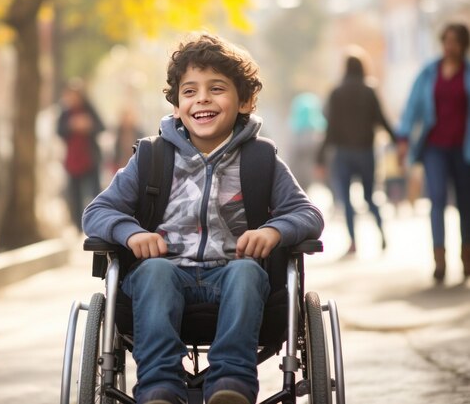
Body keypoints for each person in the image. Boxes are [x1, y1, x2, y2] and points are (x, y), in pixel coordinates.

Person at [82, 32, 323, 404]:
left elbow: (307, 214)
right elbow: (97, 212)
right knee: (153, 271)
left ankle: (231, 385)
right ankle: (160, 387)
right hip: (164, 278)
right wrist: (131, 234)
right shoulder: (152, 158)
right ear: (177, 105)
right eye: (190, 91)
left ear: (244, 101)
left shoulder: (262, 160)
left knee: (246, 271)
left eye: (216, 89)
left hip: (234, 278)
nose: (202, 99)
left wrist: (275, 231)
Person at [396, 22, 470, 283]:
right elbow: (412, 106)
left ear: (463, 44)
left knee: (465, 204)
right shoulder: (430, 72)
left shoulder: (467, 72)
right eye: (446, 41)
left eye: (455, 41)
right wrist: (403, 138)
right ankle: (439, 260)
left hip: (464, 149)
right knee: (436, 199)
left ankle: (466, 257)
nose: (450, 46)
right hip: (434, 148)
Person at [316, 51, 395, 255]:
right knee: (370, 196)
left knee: (347, 199)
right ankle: (382, 234)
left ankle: (353, 242)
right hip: (366, 152)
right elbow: (381, 119)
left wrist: (320, 156)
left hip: (342, 153)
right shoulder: (369, 91)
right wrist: (397, 140)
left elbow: (330, 127)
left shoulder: (336, 92)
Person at [57, 80, 105, 232]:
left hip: (90, 158)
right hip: (73, 161)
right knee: (75, 195)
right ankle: (78, 226)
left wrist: (88, 126)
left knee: (95, 193)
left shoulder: (89, 109)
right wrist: (72, 126)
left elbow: (101, 126)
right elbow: (59, 131)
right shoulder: (65, 112)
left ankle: (98, 222)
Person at [287, 92, 327, 193]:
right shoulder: (317, 132)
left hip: (297, 173)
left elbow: (292, 154)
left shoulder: (295, 131)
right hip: (310, 172)